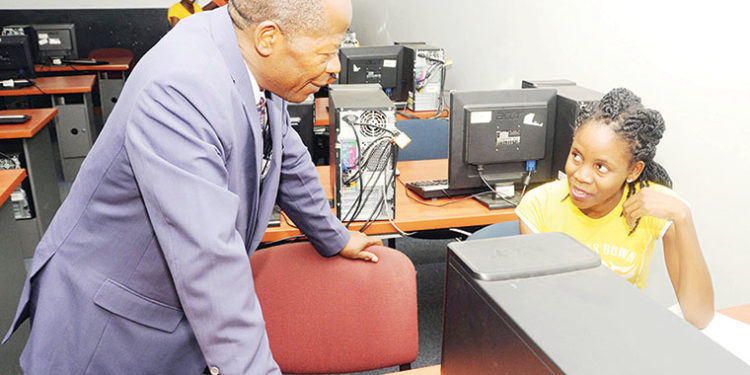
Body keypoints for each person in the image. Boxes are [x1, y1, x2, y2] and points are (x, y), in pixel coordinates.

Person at [2, 0, 381, 373]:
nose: (335, 67)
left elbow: (284, 154)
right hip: (110, 328)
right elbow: (210, 259)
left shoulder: (247, 51)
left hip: (169, 310)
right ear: (269, 38)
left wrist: (335, 236)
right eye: (327, 53)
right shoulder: (181, 86)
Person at [515, 88, 714, 329]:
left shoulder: (651, 208)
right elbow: (543, 306)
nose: (581, 175)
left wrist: (683, 218)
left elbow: (699, 316)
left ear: (633, 171)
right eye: (576, 155)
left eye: (601, 167)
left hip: (622, 333)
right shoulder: (540, 206)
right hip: (561, 333)